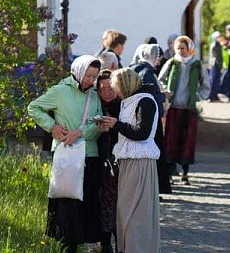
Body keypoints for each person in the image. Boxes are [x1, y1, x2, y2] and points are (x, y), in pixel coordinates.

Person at [28, 55, 104, 253]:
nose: (91, 80)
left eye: (94, 76)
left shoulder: (94, 95)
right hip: (66, 154)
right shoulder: (60, 91)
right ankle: (67, 245)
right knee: (66, 200)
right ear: (78, 71)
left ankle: (86, 242)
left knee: (87, 200)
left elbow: (99, 125)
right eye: (88, 75)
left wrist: (80, 132)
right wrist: (52, 126)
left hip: (89, 154)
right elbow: (34, 108)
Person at [98, 68, 161, 253]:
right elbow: (128, 132)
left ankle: (137, 248)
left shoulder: (145, 101)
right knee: (125, 211)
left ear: (124, 85)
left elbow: (142, 133)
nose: (114, 91)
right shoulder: (129, 101)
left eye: (115, 86)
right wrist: (111, 127)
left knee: (136, 213)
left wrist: (116, 124)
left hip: (139, 162)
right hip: (127, 161)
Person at [158, 35, 210, 185]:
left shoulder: (196, 64)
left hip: (189, 109)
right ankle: (169, 174)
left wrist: (197, 96)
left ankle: (185, 173)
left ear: (189, 49)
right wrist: (166, 92)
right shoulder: (172, 62)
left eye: (183, 48)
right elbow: (160, 80)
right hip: (173, 108)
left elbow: (206, 84)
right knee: (171, 141)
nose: (180, 51)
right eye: (178, 48)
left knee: (187, 142)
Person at [129, 44, 172, 196]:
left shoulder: (135, 68)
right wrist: (163, 96)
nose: (159, 59)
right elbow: (150, 96)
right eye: (157, 55)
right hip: (150, 119)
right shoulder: (146, 72)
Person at [96, 70, 120, 253]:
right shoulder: (94, 106)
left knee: (118, 204)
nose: (106, 92)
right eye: (102, 89)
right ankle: (105, 243)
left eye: (110, 88)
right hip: (99, 161)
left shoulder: (124, 106)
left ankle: (120, 241)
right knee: (103, 202)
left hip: (120, 162)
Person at [207, 31, 225, 102]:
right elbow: (217, 57)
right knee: (213, 80)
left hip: (215, 64)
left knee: (216, 81)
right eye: (219, 36)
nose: (221, 38)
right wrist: (220, 66)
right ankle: (211, 96)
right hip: (215, 64)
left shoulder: (216, 44)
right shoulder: (215, 45)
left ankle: (215, 95)